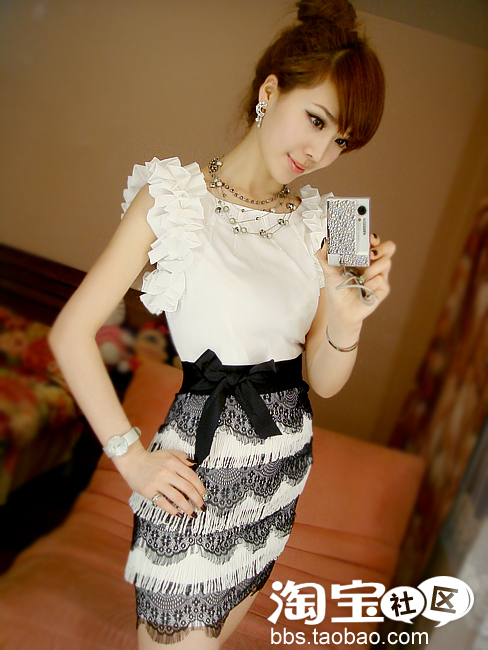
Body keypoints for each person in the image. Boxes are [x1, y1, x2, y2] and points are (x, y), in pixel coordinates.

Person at [48, 0, 396, 647]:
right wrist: (131, 460)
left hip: (279, 480)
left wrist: (349, 317)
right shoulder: (172, 200)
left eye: (341, 140)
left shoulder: (328, 222)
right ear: (270, 91)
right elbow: (70, 334)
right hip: (198, 479)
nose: (321, 151)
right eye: (316, 119)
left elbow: (324, 380)